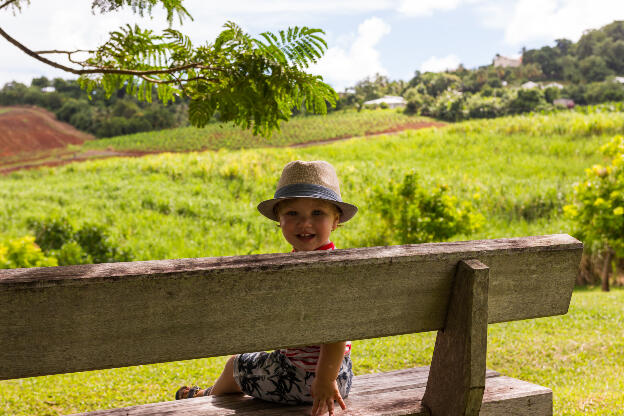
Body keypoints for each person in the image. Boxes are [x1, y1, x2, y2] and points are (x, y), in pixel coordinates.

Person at [175, 160, 358, 416]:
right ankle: (206, 392)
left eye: (317, 213)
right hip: (342, 377)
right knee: (259, 359)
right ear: (279, 220)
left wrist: (324, 381)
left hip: (309, 381)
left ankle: (204, 396)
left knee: (236, 364)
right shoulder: (339, 262)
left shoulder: (322, 272)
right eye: (293, 214)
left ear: (336, 220)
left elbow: (336, 329)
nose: (305, 223)